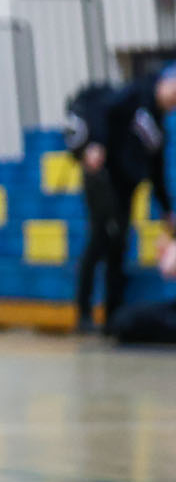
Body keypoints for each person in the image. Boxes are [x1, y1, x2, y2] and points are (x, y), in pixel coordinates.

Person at [65, 70, 176, 333]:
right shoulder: (135, 94)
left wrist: (167, 210)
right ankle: (84, 312)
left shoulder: (159, 129)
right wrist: (95, 144)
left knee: (119, 245)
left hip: (127, 188)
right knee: (99, 239)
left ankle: (112, 317)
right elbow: (102, 110)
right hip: (103, 177)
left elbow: (156, 172)